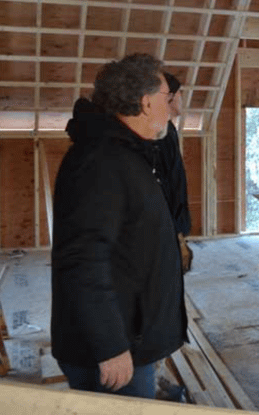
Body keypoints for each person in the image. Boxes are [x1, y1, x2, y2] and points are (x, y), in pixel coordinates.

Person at [51, 53, 186, 399]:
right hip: (115, 349)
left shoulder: (124, 154)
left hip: (131, 334)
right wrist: (110, 345)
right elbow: (82, 261)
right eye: (166, 97)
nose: (171, 108)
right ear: (146, 103)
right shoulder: (101, 162)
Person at [155, 71, 193, 273]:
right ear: (169, 97)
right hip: (166, 227)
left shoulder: (168, 130)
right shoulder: (161, 134)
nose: (182, 99)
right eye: (180, 94)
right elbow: (168, 183)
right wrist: (177, 231)